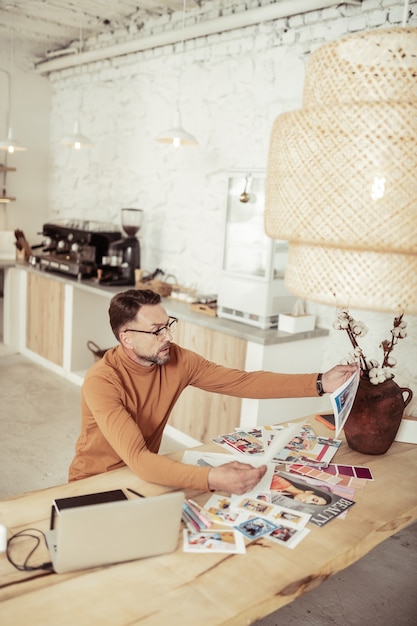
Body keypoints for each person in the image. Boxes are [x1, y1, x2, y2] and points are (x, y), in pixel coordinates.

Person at [68, 289, 358, 495]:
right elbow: (139, 458)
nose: (169, 336)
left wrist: (321, 382)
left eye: (168, 325)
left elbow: (243, 382)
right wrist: (212, 478)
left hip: (145, 474)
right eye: (157, 330)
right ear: (127, 339)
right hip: (95, 482)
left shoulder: (177, 359)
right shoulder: (101, 381)